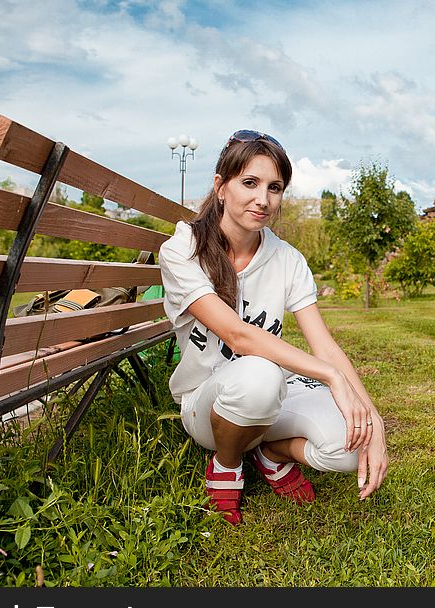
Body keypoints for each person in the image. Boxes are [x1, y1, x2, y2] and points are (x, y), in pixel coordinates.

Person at [158, 129, 389, 525]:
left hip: (272, 400)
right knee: (259, 376)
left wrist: (373, 418)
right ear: (221, 187)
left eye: (275, 187)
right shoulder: (183, 249)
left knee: (351, 446)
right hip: (208, 406)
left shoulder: (288, 259)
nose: (263, 199)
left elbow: (326, 346)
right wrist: (332, 378)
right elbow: (238, 335)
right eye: (249, 183)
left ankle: (271, 452)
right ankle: (228, 463)